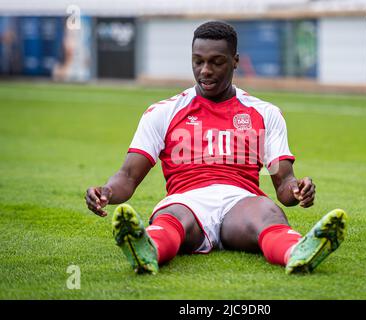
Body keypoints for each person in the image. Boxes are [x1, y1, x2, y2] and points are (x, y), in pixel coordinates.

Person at [85, 21, 347, 275]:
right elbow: (128, 176)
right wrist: (106, 190)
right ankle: (146, 249)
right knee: (169, 217)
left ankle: (297, 253)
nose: (205, 70)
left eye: (216, 62)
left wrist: (298, 190)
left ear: (235, 60)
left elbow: (284, 183)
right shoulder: (163, 112)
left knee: (269, 213)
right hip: (187, 199)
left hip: (240, 202)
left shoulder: (265, 113)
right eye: (198, 61)